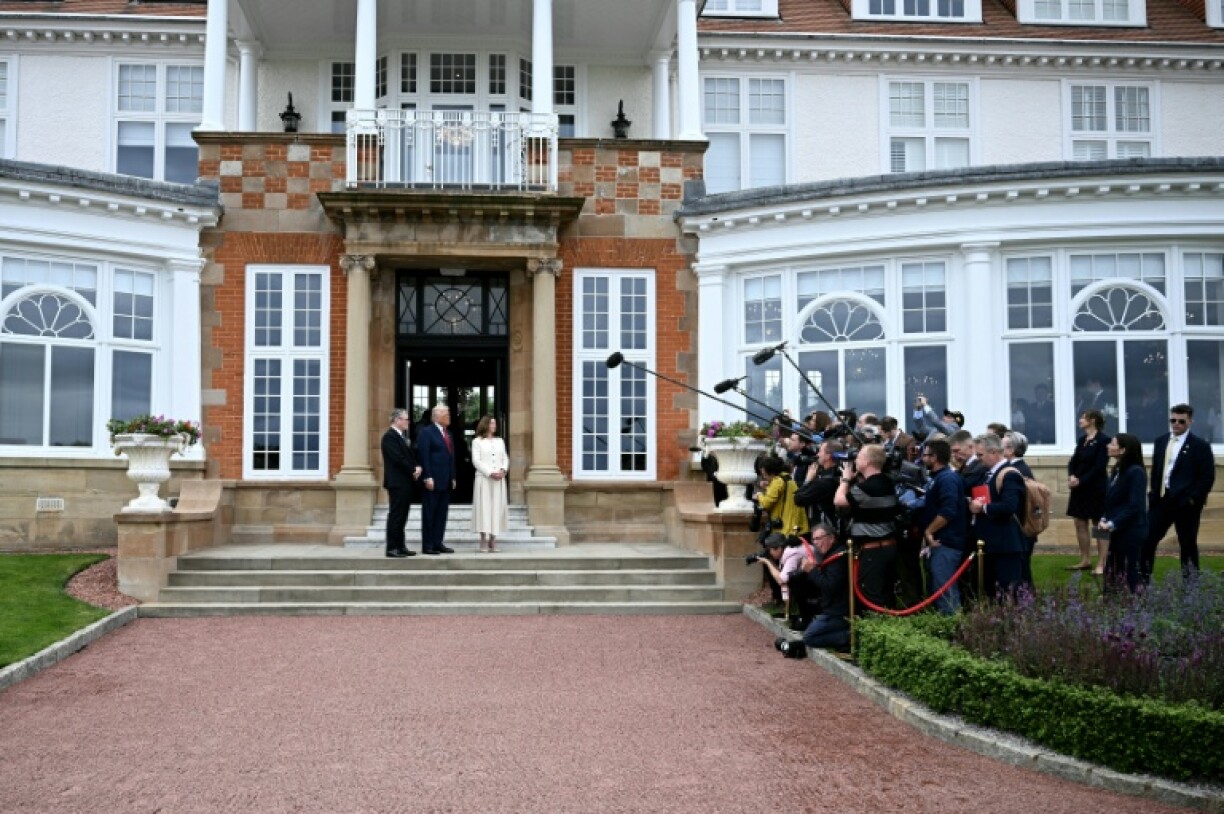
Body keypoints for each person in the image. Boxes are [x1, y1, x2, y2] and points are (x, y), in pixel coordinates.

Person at [1141, 403, 1216, 581]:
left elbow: (1207, 477)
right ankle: (1141, 581)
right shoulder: (1161, 441)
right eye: (1173, 420)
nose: (1176, 424)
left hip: (1185, 503)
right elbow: (1157, 470)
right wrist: (1153, 494)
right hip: (1161, 500)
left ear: (1190, 421)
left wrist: (1192, 499)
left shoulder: (1200, 446)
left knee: (1187, 544)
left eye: (1181, 421)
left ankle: (1190, 587)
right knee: (1147, 539)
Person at [835, 443, 898, 611]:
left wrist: (846, 479)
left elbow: (839, 501)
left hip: (872, 551)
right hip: (889, 546)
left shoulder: (866, 488)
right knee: (886, 594)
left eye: (859, 456)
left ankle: (874, 632)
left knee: (871, 595)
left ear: (868, 461)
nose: (855, 459)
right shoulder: (887, 482)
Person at [968, 433, 1025, 597]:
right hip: (990, 544)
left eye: (980, 455)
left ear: (993, 452)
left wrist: (983, 508)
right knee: (991, 593)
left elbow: (1009, 506)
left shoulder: (1009, 474)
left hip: (1005, 544)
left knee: (1008, 593)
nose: (978, 459)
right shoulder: (987, 473)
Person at [920, 439, 966, 614]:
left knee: (944, 589)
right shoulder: (937, 478)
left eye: (925, 455)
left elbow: (948, 510)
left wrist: (929, 531)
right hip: (940, 542)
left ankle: (953, 629)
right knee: (937, 586)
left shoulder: (947, 479)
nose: (922, 458)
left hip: (947, 542)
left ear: (935, 457)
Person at [1098, 433, 1147, 593]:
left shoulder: (1136, 472)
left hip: (1131, 530)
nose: (1108, 446)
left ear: (1123, 450)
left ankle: (1135, 606)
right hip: (1117, 529)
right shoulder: (1117, 469)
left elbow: (1135, 506)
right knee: (1112, 568)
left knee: (1129, 570)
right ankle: (1110, 603)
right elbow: (1112, 499)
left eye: (1112, 444)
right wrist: (1104, 517)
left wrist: (1112, 523)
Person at [1065, 409, 1110, 572]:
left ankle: (1102, 562)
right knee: (1079, 522)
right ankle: (1085, 559)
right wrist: (1071, 476)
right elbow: (1073, 461)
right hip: (1079, 488)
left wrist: (1081, 480)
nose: (1080, 420)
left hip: (1096, 487)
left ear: (1092, 420)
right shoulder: (1082, 439)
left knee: (1099, 524)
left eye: (1083, 418)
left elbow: (1099, 466)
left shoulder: (1104, 440)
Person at [796, 522, 850, 651]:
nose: (816, 543)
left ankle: (848, 636)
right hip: (829, 608)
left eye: (819, 538)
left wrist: (812, 571)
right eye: (814, 540)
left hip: (838, 612)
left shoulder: (838, 556)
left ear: (831, 538)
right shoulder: (829, 554)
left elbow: (831, 585)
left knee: (809, 638)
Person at [416, 403, 457, 555]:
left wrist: (452, 476)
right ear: (437, 416)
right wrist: (427, 477)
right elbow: (424, 456)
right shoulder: (427, 432)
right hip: (432, 481)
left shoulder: (448, 433)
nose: (449, 417)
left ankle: (438, 542)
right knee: (429, 513)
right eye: (446, 415)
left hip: (445, 481)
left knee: (441, 514)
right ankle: (427, 545)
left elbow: (450, 457)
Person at [380, 408, 421, 558]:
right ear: (397, 420)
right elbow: (397, 459)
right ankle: (392, 548)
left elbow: (409, 456)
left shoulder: (401, 437)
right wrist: (413, 469)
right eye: (406, 419)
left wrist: (417, 466)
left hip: (405, 482)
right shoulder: (389, 437)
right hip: (397, 483)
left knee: (402, 516)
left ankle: (401, 546)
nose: (408, 422)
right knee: (396, 515)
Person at [471, 415, 509, 553]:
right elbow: (476, 461)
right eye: (492, 423)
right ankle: (483, 540)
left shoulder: (500, 441)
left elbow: (505, 458)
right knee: (483, 509)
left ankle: (493, 540)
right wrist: (490, 472)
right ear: (485, 425)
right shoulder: (477, 442)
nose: (494, 426)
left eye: (495, 423)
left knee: (496, 509)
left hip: (499, 480)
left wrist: (503, 470)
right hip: (484, 480)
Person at [756, 455, 809, 538]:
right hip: (796, 524)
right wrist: (769, 486)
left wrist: (759, 495)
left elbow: (766, 503)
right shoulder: (786, 478)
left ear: (772, 472)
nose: (764, 477)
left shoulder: (777, 481)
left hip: (786, 526)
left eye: (765, 474)